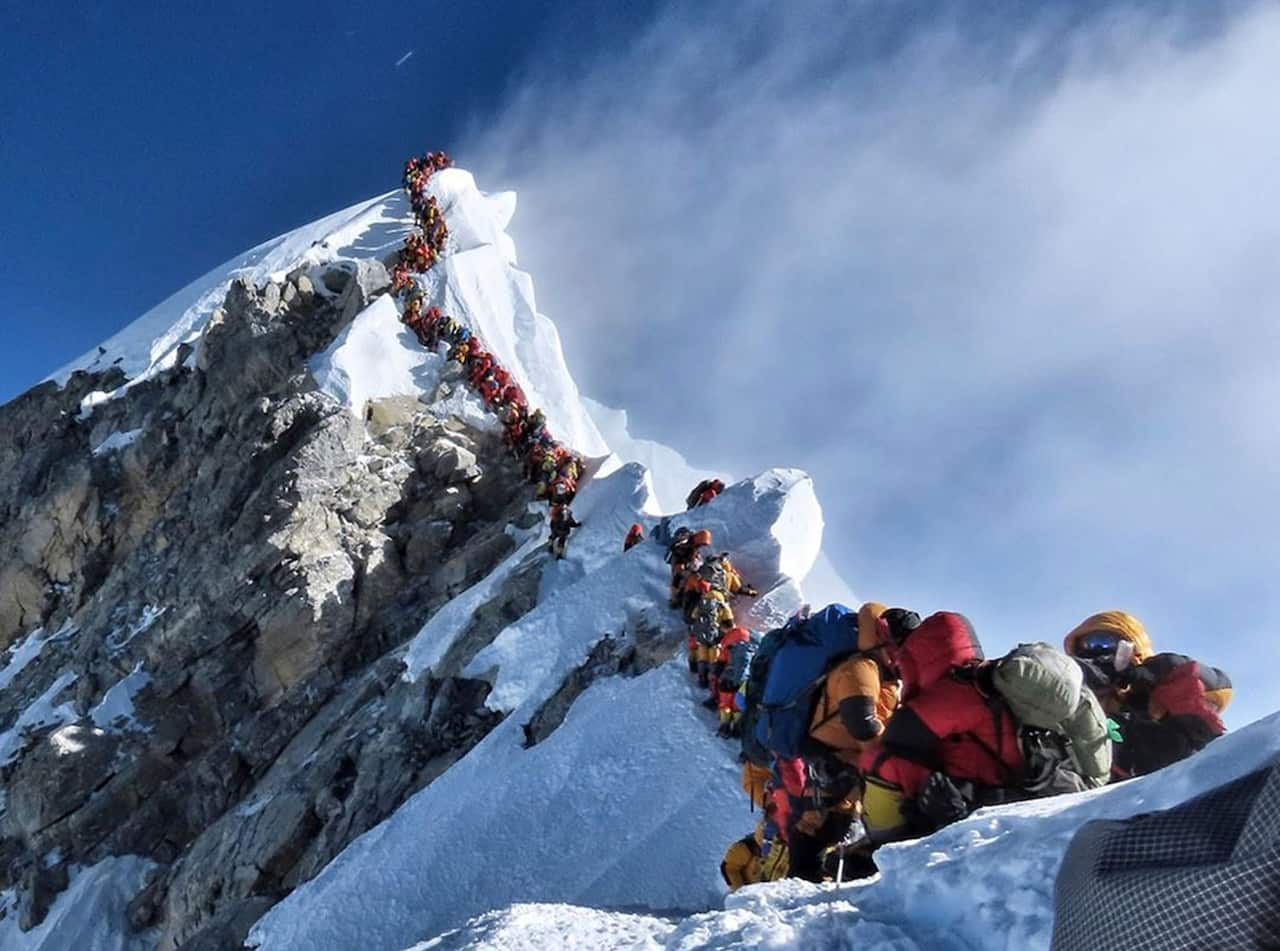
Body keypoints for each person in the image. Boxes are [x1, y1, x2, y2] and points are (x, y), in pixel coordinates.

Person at [1064, 611, 1231, 778]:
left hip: (1170, 783)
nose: (1094, 652)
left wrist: (1168, 667)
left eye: (1104, 642)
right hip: (1087, 790)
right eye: (1085, 646)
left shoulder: (1156, 693)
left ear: (1132, 649)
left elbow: (1218, 688)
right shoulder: (1070, 701)